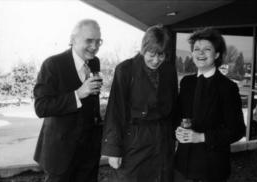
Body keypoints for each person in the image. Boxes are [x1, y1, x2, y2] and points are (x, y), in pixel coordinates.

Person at [101, 25, 178, 182]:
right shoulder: (125, 69)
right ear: (143, 49)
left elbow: (174, 107)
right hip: (134, 140)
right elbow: (115, 111)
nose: (156, 60)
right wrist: (113, 150)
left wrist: (174, 136)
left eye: (161, 55)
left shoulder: (169, 70)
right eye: (152, 54)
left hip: (162, 139)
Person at [33, 19, 103, 182]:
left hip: (89, 153)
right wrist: (77, 94)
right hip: (60, 154)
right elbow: (41, 107)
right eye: (89, 41)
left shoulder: (94, 62)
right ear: (73, 39)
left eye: (98, 41)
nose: (94, 46)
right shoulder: (52, 64)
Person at [174, 27, 246, 182]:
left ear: (217, 54)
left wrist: (201, 137)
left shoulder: (228, 88)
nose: (200, 53)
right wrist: (177, 129)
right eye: (196, 49)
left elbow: (238, 130)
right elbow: (179, 115)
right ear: (192, 53)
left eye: (207, 49)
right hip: (182, 166)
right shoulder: (187, 83)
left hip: (212, 169)